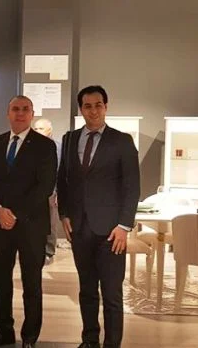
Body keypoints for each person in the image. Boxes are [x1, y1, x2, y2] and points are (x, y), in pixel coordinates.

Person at [58, 85, 140, 348]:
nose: (93, 111)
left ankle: (112, 344)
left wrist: (124, 226)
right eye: (87, 106)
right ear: (81, 109)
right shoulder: (70, 139)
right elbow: (63, 179)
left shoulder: (122, 141)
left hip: (112, 231)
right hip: (79, 228)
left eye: (98, 105)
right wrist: (64, 214)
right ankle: (89, 340)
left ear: (106, 107)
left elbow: (132, 186)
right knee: (86, 290)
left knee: (112, 294)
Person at [0, 96, 57, 348]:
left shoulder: (45, 146)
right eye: (15, 109)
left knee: (31, 283)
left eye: (25, 109)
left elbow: (44, 186)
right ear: (8, 113)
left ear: (32, 114)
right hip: (0, 225)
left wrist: (15, 214)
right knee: (1, 282)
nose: (20, 113)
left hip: (31, 226)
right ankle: (4, 331)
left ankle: (29, 337)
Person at [32, 118, 62, 265]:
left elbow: (61, 171)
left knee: (50, 222)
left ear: (49, 130)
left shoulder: (58, 147)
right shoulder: (30, 145)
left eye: (41, 128)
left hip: (51, 191)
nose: (38, 131)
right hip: (33, 191)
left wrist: (57, 192)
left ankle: (49, 251)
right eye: (36, 128)